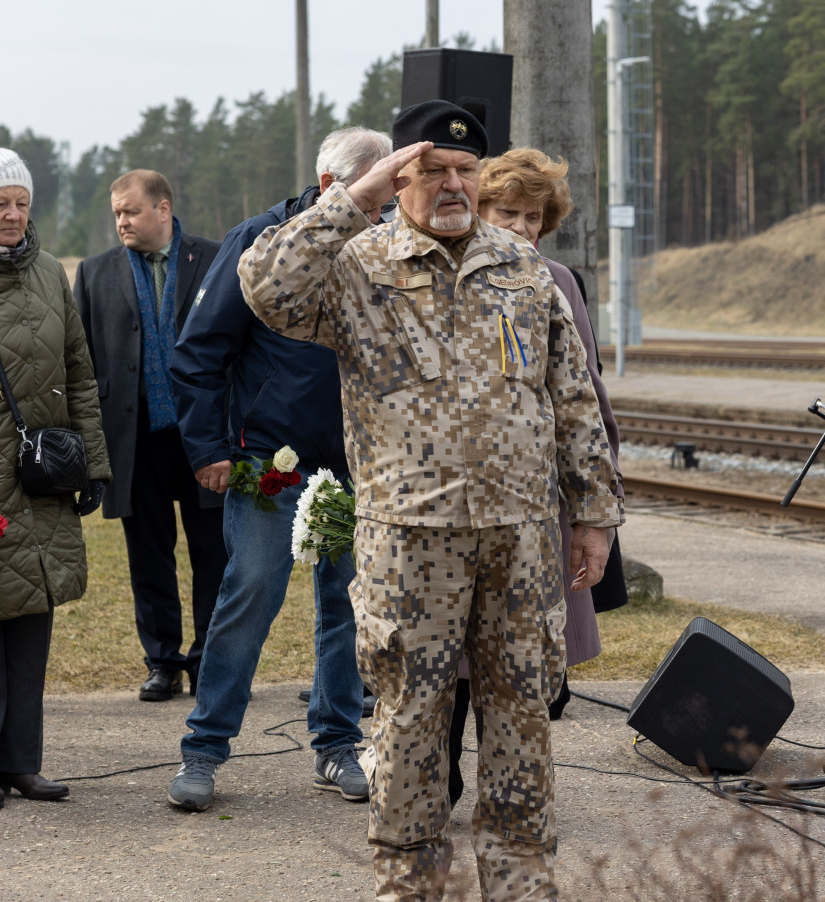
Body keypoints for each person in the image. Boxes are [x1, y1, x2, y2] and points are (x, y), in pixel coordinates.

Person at [237, 101, 622, 901]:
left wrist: (592, 515)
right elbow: (265, 287)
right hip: (410, 541)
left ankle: (520, 884)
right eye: (432, 170)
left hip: (518, 540)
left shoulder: (521, 267)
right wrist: (355, 196)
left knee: (522, 719)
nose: (453, 184)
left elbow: (572, 396)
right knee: (411, 721)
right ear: (400, 177)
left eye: (465, 170)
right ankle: (410, 885)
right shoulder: (358, 264)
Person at [164, 127, 394, 812]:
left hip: (356, 463)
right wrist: (207, 449)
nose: (384, 213)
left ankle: (336, 745)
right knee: (250, 595)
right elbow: (199, 350)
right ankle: (203, 751)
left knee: (348, 609)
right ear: (334, 189)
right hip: (270, 462)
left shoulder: (382, 248)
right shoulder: (259, 242)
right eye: (377, 196)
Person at [439, 148, 626, 805]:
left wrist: (599, 493)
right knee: (456, 653)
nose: (520, 227)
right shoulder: (444, 275)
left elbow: (587, 392)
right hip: (455, 503)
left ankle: (506, 782)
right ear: (478, 212)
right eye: (506, 213)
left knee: (514, 656)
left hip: (536, 499)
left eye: (532, 217)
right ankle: (445, 772)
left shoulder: (558, 281)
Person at [73, 170, 227, 702]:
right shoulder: (94, 273)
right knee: (148, 555)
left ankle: (209, 661)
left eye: (131, 212)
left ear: (163, 209)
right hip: (133, 438)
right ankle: (162, 662)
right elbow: (84, 359)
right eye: (117, 213)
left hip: (203, 436)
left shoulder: (213, 259)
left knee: (214, 554)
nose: (121, 221)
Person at [0, 149, 111, 804]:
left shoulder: (47, 273)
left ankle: (21, 762)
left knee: (30, 620)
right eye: (0, 205)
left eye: (20, 203)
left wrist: (93, 462)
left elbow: (78, 371)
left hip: (35, 478)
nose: (12, 215)